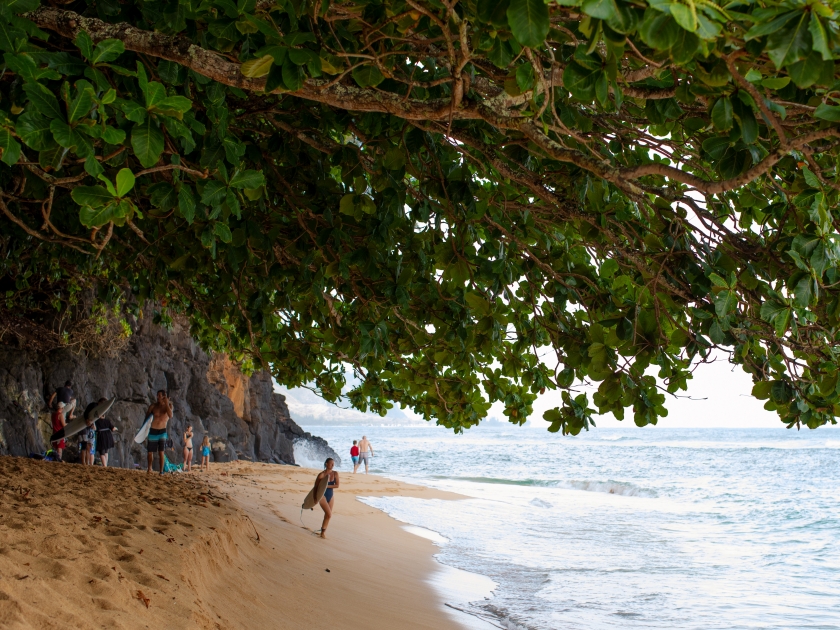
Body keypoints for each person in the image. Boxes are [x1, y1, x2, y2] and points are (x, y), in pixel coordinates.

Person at [146, 390, 173, 474]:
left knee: (161, 452)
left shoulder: (169, 406)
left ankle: (161, 471)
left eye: (159, 396)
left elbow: (170, 415)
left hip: (162, 431)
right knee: (150, 452)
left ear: (164, 396)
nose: (157, 397)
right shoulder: (153, 406)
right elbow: (146, 418)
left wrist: (166, 403)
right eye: (157, 395)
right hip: (152, 430)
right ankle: (149, 468)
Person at [311, 458, 339, 539]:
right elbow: (316, 487)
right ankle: (322, 533)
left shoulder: (335, 473)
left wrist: (326, 486)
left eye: (333, 464)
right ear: (326, 464)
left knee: (327, 515)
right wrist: (314, 498)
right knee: (329, 514)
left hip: (331, 496)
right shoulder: (321, 475)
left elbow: (337, 485)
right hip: (322, 496)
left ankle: (323, 531)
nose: (333, 465)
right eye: (331, 463)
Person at [91, 398, 117, 467]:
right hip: (108, 436)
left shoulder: (96, 421)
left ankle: (104, 465)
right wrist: (116, 428)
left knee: (101, 452)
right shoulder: (107, 421)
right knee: (106, 451)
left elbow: (95, 429)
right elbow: (113, 428)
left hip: (101, 436)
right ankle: (106, 465)